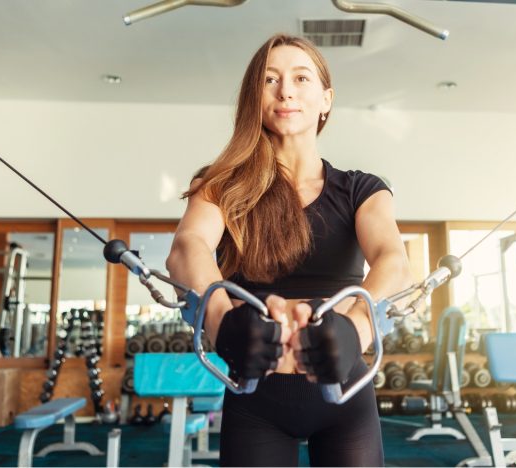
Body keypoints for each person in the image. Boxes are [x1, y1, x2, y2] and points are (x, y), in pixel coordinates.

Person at [166, 33, 413, 467]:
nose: (286, 91)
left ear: (326, 99)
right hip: (255, 391)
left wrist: (356, 329)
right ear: (254, 99)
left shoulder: (363, 190)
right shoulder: (220, 186)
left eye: (301, 77)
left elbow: (394, 261)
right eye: (270, 80)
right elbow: (187, 247)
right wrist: (222, 322)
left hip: (344, 388)